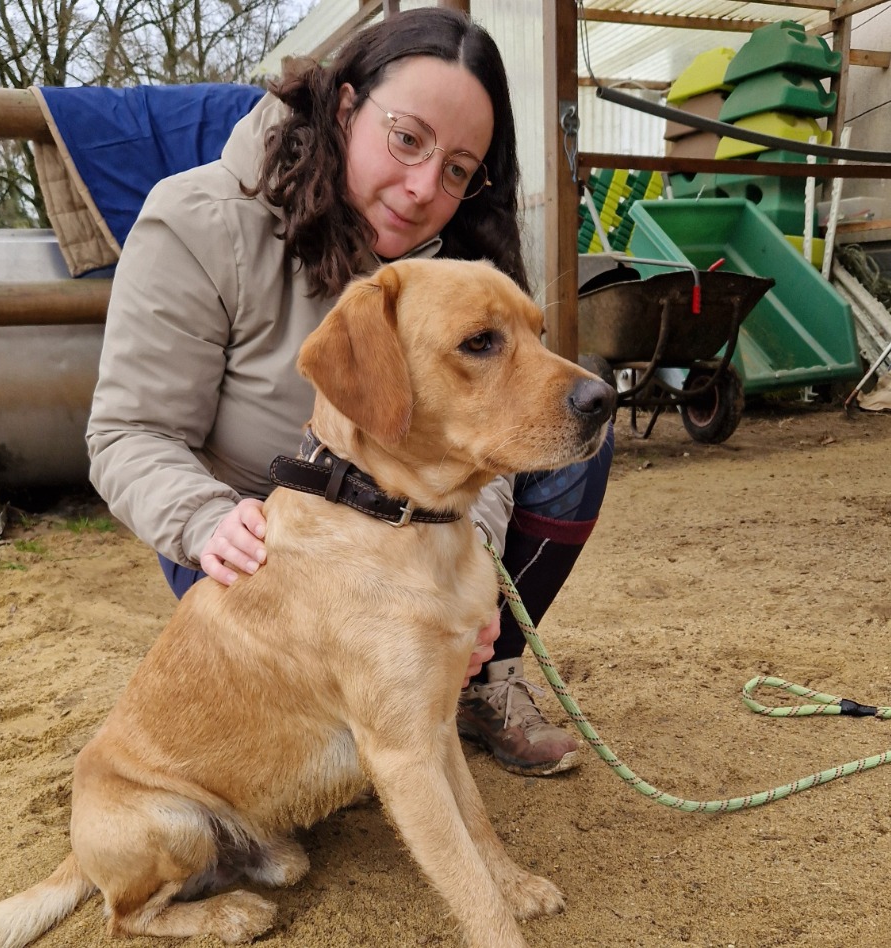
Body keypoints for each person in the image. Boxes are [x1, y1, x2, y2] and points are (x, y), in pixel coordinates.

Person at [86, 7, 614, 777]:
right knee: (313, 753)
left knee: (566, 445)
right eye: (407, 139)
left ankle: (480, 676)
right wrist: (203, 520)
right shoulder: (197, 220)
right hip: (261, 533)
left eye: (460, 169)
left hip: (417, 524)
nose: (424, 187)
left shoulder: (461, 257)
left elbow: (490, 450)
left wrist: (474, 598)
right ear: (345, 108)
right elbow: (128, 432)